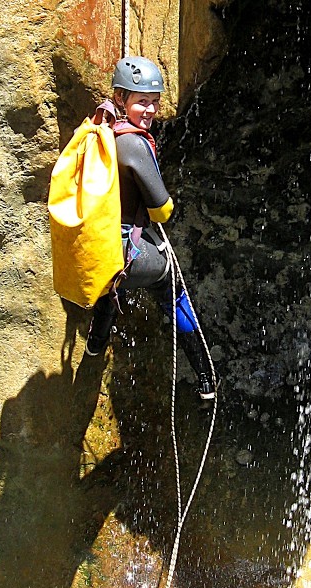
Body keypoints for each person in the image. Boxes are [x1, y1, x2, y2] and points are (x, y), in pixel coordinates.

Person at [85, 56, 217, 403]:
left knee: (112, 281)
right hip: (128, 253)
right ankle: (206, 375)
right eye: (143, 101)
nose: (151, 109)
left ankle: (97, 341)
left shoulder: (101, 131)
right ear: (121, 98)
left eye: (155, 101)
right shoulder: (134, 142)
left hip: (98, 248)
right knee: (170, 282)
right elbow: (162, 208)